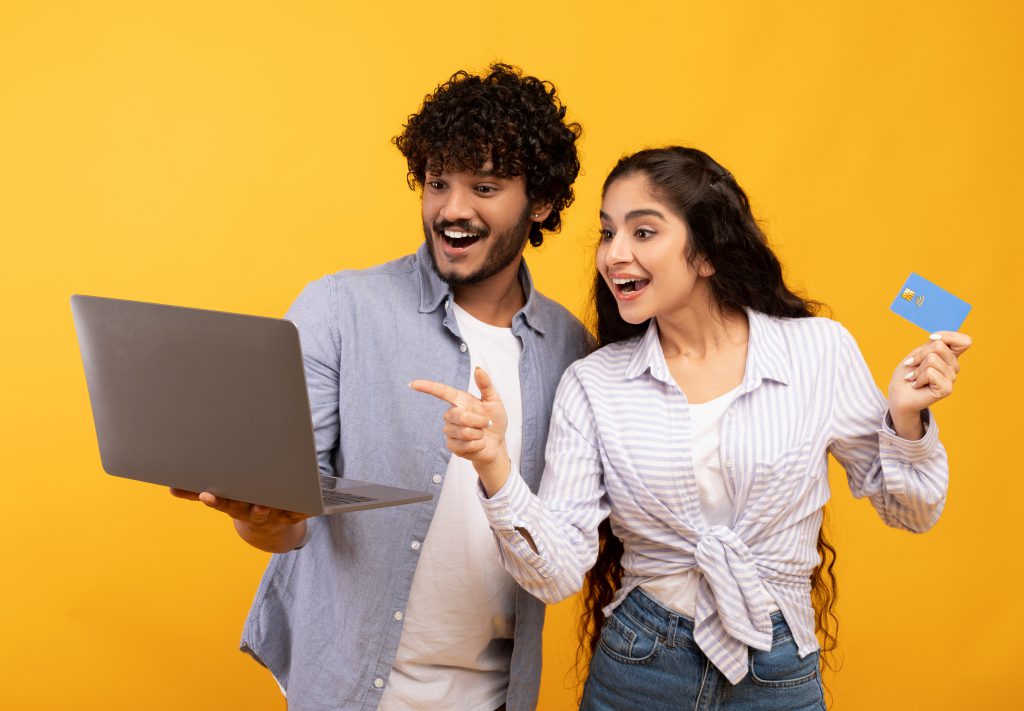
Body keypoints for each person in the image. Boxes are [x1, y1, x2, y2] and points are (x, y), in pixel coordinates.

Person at [412, 146, 972, 710]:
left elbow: (913, 511)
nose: (614, 255)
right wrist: (494, 465)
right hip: (640, 664)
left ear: (705, 253)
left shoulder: (818, 351)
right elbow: (555, 575)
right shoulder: (593, 383)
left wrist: (905, 417)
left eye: (644, 232)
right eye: (608, 233)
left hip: (779, 667)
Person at [170, 64, 592, 711]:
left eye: (484, 186)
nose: (452, 209)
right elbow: (286, 521)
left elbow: (565, 541)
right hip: (349, 688)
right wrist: (262, 519)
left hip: (497, 696)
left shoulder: (569, 347)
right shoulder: (339, 308)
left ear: (539, 202)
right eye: (437, 182)